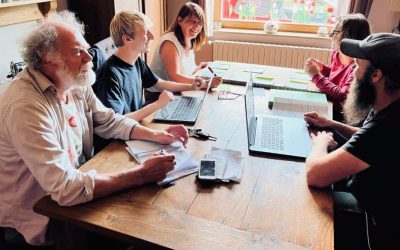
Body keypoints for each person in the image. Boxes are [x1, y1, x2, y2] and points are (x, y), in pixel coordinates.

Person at [0, 11, 190, 247]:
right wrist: (141, 174)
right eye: (78, 52)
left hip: (76, 195)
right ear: (48, 59)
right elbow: (66, 188)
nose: (89, 59)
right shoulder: (26, 105)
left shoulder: (73, 81)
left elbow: (109, 120)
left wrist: (157, 134)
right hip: (38, 220)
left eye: (86, 49)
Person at [305, 33, 400, 249]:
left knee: (304, 203)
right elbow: (363, 138)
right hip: (367, 194)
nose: (354, 73)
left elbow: (315, 174)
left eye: (358, 66)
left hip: (374, 225)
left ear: (376, 75)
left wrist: (320, 144)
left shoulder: (389, 126)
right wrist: (332, 124)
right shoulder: (386, 107)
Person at [93, 11, 211, 121]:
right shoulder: (109, 75)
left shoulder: (136, 62)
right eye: (145, 33)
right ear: (127, 39)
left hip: (135, 127)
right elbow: (117, 122)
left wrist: (191, 87)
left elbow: (159, 83)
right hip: (118, 140)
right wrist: (157, 104)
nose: (152, 37)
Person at [304, 14, 371, 121]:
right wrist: (323, 69)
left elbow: (342, 96)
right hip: (329, 103)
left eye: (335, 32)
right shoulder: (337, 54)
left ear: (349, 37)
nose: (331, 35)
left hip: (340, 115)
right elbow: (338, 76)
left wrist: (316, 76)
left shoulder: (358, 66)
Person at [150, 2, 222, 87]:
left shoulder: (189, 40)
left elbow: (185, 72)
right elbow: (174, 77)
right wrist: (206, 83)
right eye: (192, 21)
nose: (197, 26)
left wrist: (198, 68)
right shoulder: (169, 42)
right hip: (158, 94)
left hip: (176, 90)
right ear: (180, 20)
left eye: (200, 23)